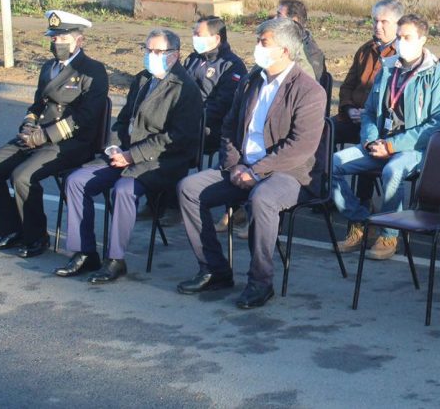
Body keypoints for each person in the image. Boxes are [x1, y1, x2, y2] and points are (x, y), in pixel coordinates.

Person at [176, 18, 326, 309]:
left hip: (289, 174)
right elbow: (229, 127)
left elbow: (301, 147)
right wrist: (234, 167)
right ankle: (214, 269)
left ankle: (260, 282)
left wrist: (256, 172)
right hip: (243, 168)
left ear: (284, 50)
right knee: (190, 188)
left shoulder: (309, 91)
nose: (257, 47)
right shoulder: (250, 80)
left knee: (262, 199)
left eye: (264, 42)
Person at [55, 29, 202, 283]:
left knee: (124, 189)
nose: (150, 56)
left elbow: (176, 139)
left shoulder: (185, 89)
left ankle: (115, 259)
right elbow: (123, 121)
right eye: (147, 50)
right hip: (127, 153)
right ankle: (84, 252)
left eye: (158, 52)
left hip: (161, 161)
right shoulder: (143, 79)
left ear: (175, 56)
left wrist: (132, 156)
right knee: (76, 181)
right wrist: (114, 147)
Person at [0, 10, 108, 258]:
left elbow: (86, 118)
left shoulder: (93, 70)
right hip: (37, 136)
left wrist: (45, 136)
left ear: (78, 40)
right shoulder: (49, 67)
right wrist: (28, 125)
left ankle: (36, 237)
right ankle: (9, 229)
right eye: (53, 38)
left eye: (61, 38)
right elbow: (37, 105)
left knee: (22, 176)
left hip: (71, 142)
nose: (55, 42)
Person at [332, 13, 440, 260]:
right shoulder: (388, 70)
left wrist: (391, 145)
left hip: (415, 149)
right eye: (399, 37)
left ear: (422, 39)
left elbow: (437, 125)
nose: (400, 43)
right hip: (379, 143)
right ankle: (361, 222)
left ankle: (389, 234)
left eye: (407, 37)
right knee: (331, 164)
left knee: (392, 171)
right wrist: (369, 140)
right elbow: (369, 111)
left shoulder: (439, 77)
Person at [164, 16, 247, 230]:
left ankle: (177, 205)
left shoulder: (232, 66)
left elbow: (221, 106)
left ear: (216, 38)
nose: (193, 38)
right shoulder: (193, 59)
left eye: (198, 34)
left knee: (178, 139)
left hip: (213, 127)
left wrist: (189, 118)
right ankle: (159, 198)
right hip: (188, 119)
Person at [335, 0, 402, 147]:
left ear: (398, 25)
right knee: (322, 131)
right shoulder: (365, 50)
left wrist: (368, 114)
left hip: (379, 124)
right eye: (375, 21)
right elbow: (347, 86)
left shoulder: (403, 55)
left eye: (384, 22)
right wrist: (349, 108)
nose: (378, 26)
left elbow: (398, 101)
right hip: (352, 119)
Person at [275, 0, 326, 80]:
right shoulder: (283, 44)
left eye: (279, 16)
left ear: (294, 21)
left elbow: (308, 88)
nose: (274, 19)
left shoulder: (308, 54)